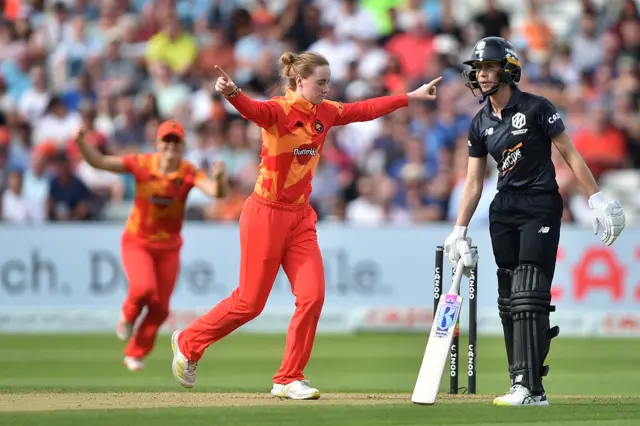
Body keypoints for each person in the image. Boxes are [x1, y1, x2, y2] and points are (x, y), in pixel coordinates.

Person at [170, 51, 443, 400]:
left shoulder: (324, 113)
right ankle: (189, 341)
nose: (327, 89)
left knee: (312, 297)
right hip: (265, 214)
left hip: (300, 217)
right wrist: (232, 93)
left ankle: (288, 377)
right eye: (321, 82)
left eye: (328, 82)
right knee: (250, 303)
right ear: (300, 81)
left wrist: (410, 96)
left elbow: (365, 109)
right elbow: (252, 110)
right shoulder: (277, 110)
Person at [446, 37, 626, 406]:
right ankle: (520, 382)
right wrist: (459, 229)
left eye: (489, 67)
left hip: (541, 203)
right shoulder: (480, 123)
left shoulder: (536, 108)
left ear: (508, 70)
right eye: (478, 68)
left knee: (529, 291)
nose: (481, 74)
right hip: (504, 208)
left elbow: (570, 154)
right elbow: (473, 182)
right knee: (509, 297)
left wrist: (597, 198)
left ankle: (531, 387)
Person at [72, 120, 226, 371]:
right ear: (158, 143)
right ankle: (128, 316)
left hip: (169, 247)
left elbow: (215, 193)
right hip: (138, 241)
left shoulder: (188, 172)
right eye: (166, 141)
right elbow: (100, 162)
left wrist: (219, 180)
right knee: (143, 288)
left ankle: (135, 353)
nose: (170, 147)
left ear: (182, 146)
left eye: (176, 142)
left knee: (161, 308)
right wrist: (80, 142)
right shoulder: (141, 163)